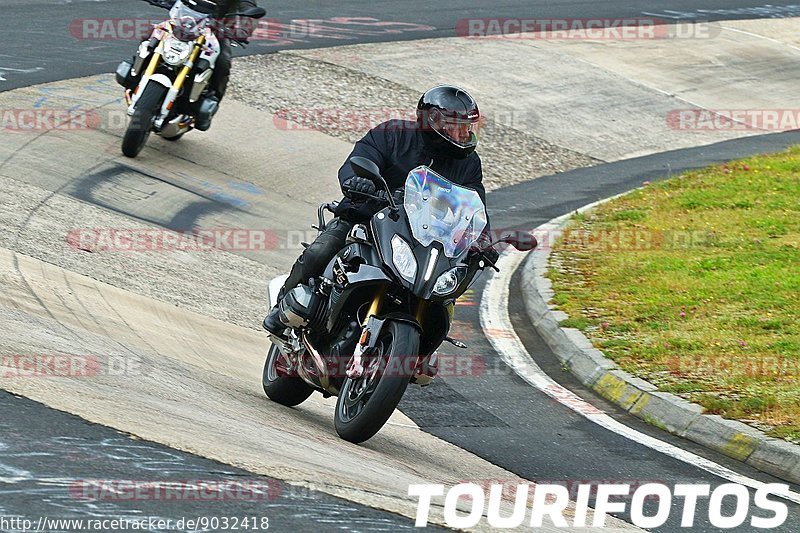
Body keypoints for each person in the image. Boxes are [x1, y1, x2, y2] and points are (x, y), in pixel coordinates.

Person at [263, 84, 497, 339]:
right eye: (457, 126)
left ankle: (423, 350)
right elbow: (362, 157)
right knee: (321, 250)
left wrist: (483, 239)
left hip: (426, 239)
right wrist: (356, 181)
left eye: (467, 128)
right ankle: (282, 307)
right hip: (368, 218)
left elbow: (475, 204)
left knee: (444, 293)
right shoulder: (392, 134)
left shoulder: (469, 164)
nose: (464, 134)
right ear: (434, 121)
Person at [147, 0, 260, 130]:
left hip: (216, 30)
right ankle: (135, 70)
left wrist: (244, 28)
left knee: (222, 62)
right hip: (184, 22)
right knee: (152, 34)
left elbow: (247, 5)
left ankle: (210, 105)